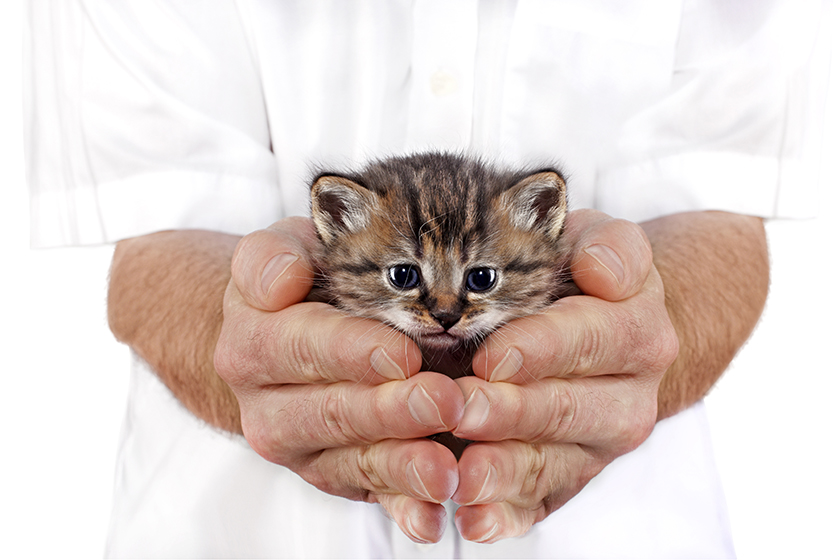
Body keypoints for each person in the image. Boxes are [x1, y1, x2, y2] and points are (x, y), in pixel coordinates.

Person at [26, 1, 826, 557]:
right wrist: (249, 334)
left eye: (475, 280)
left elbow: (728, 211)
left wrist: (634, 327)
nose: (444, 307)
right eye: (409, 277)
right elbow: (152, 242)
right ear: (334, 222)